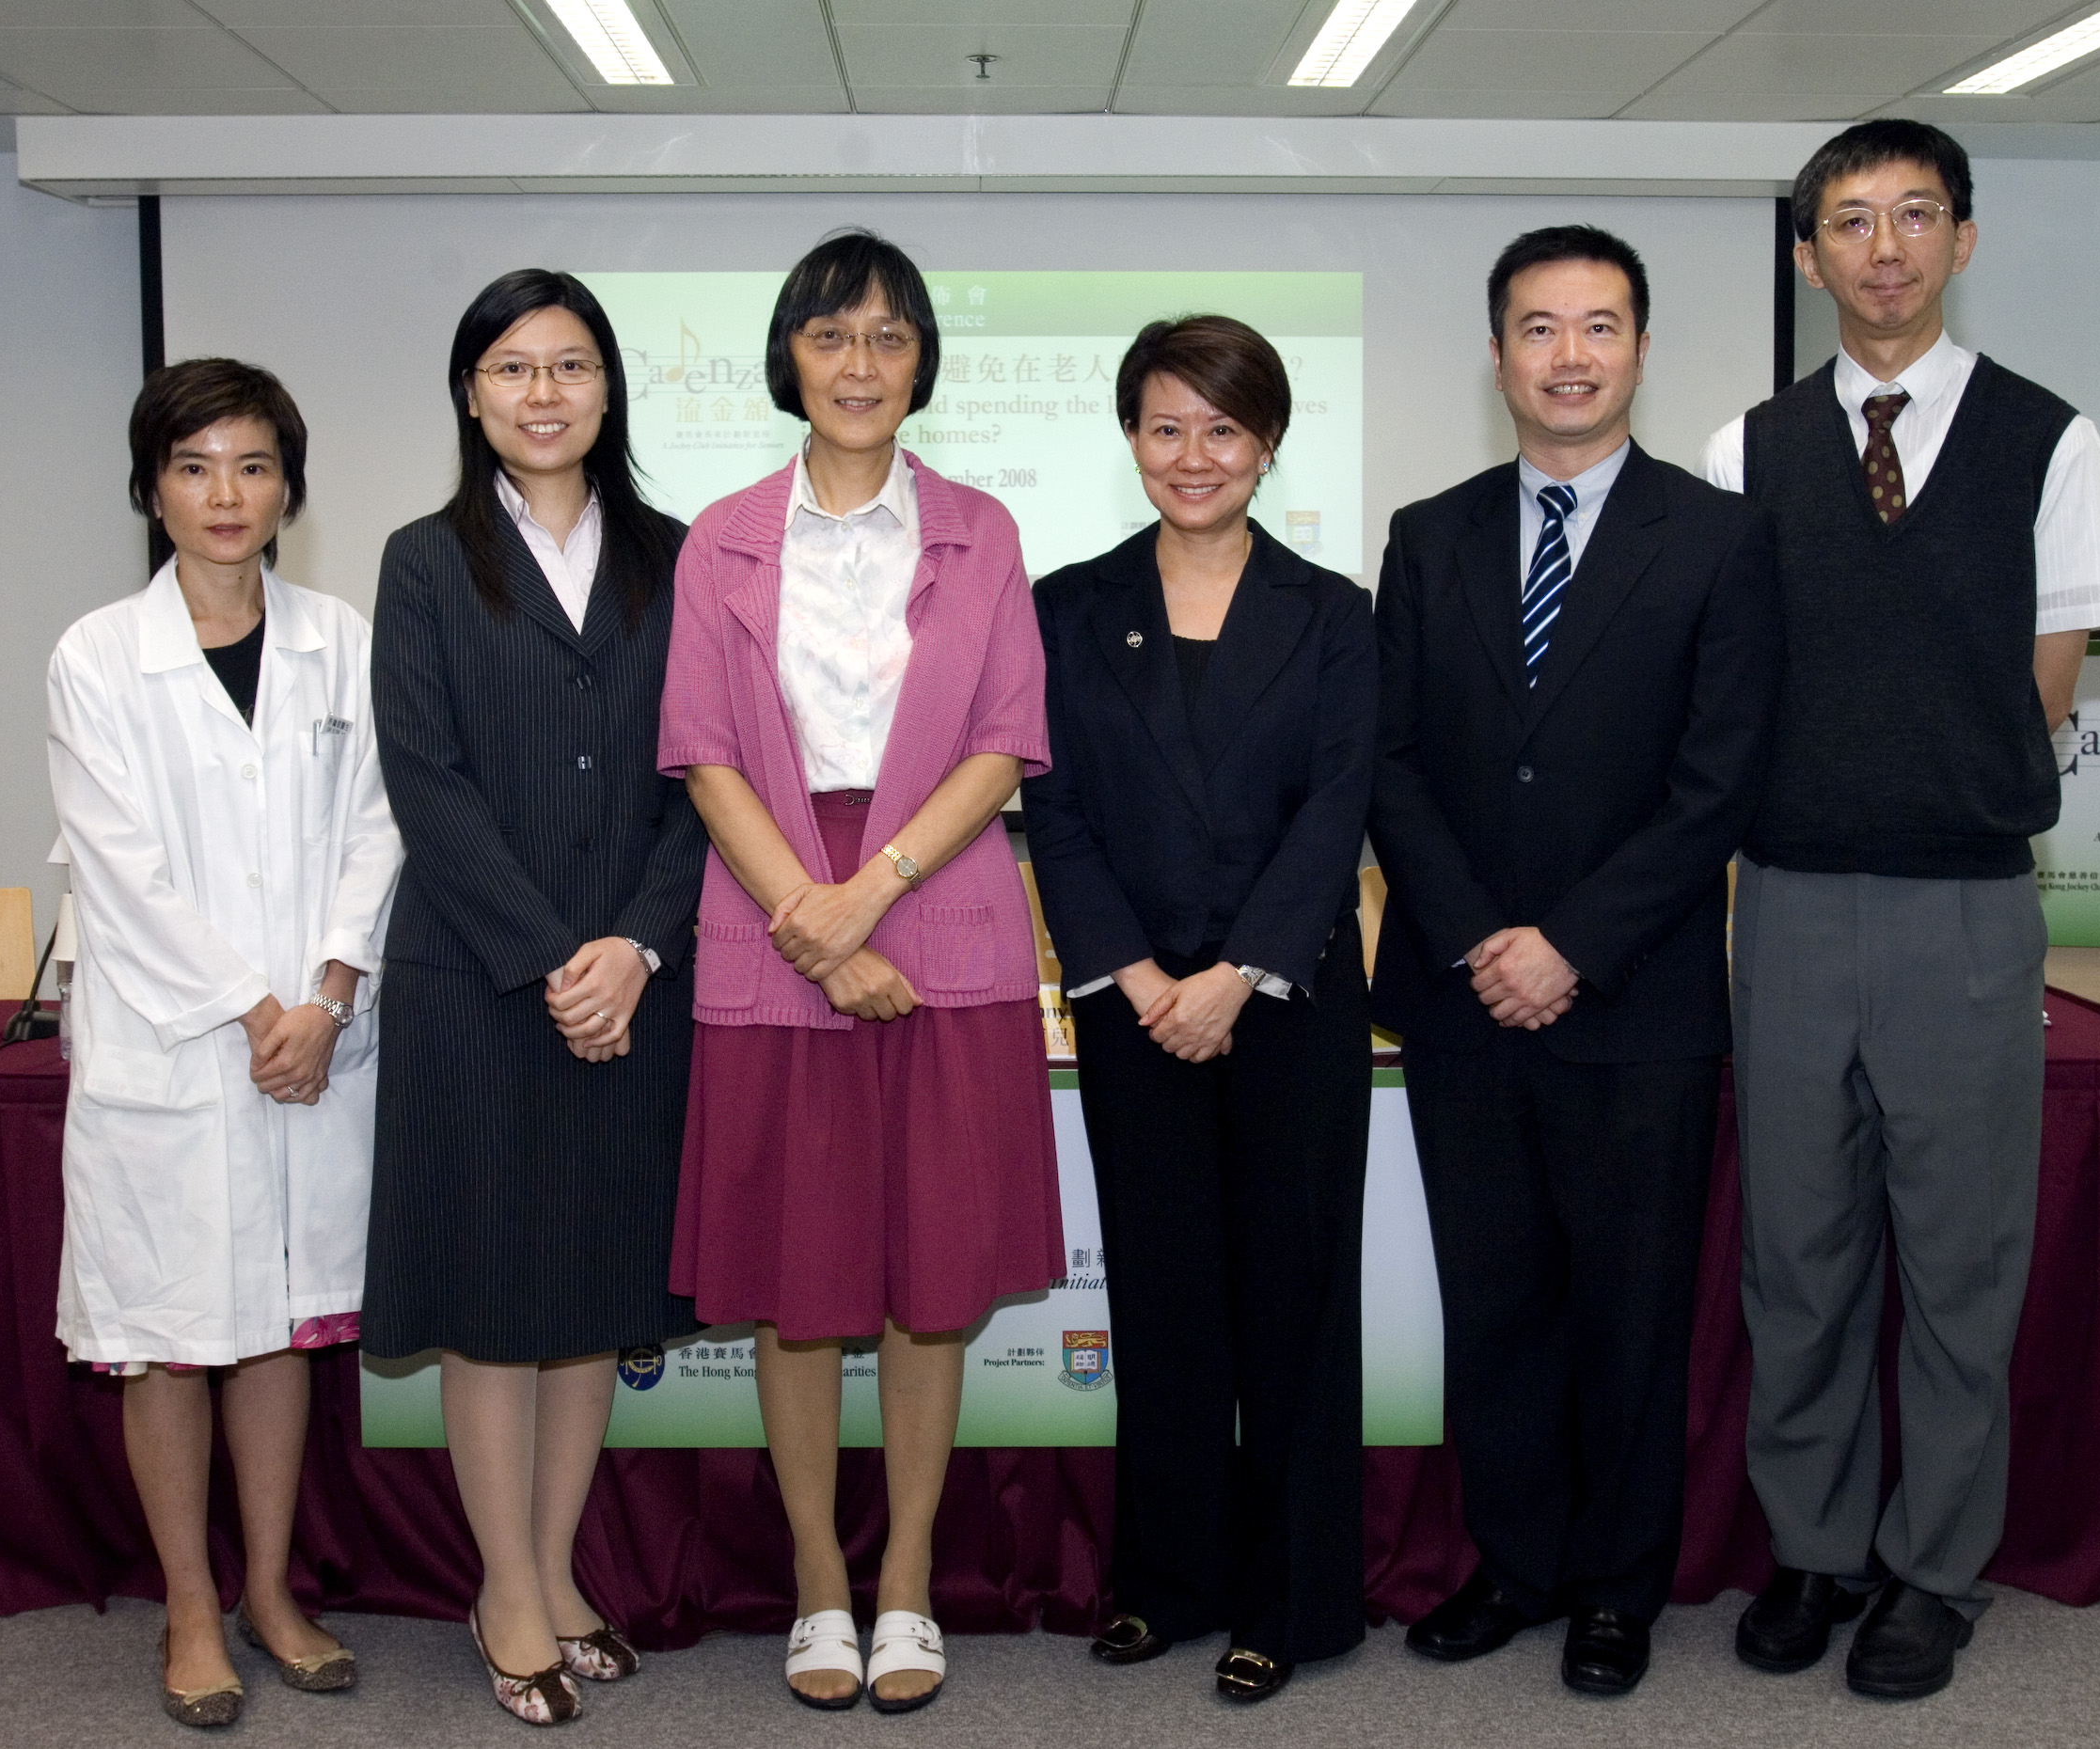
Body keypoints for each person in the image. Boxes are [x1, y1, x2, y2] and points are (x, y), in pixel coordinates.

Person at [1701, 119, 2100, 1700]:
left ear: (1961, 239)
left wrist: (1932, 775)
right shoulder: (1744, 445)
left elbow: (2049, 681)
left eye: (1913, 216)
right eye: (1848, 221)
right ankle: (1813, 1547)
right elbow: (1737, 681)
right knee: (1798, 1256)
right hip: (1792, 903)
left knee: (1959, 1260)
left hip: (1962, 907)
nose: (1881, 247)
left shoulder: (2049, 437)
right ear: (1807, 257)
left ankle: (1932, 1571)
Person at [1368, 226, 1781, 1696]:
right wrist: (1488, 939)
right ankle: (1517, 1561)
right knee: (1493, 1304)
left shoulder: (1720, 538)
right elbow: (1392, 761)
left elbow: (1716, 780)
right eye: (1536, 329)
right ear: (1495, 356)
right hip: (1463, 990)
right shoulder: (1429, 534)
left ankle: (1616, 1586)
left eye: (1596, 326)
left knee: (1627, 1307)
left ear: (1641, 349)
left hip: (1639, 999)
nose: (1567, 356)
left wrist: (1573, 946)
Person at [661, 228, 1063, 1715]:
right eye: (831, 338)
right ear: (787, 358)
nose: (859, 365)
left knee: (925, 1287)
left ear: (921, 365)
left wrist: (872, 896)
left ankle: (905, 1588)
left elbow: (1005, 737)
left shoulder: (981, 527)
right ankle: (818, 1588)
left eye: (889, 338)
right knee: (797, 1291)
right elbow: (701, 750)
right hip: (774, 923)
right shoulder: (719, 536)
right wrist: (812, 923)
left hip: (937, 909)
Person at [361, 269, 706, 1726]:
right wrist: (554, 959)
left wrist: (631, 945)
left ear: (609, 389)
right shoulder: (424, 561)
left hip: (635, 983)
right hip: (481, 986)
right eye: (512, 368)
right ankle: (503, 1585)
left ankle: (558, 1570)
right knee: (495, 1306)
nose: (543, 393)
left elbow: (715, 778)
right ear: (469, 393)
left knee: (591, 1298)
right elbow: (423, 780)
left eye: (570, 366)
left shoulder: (683, 556)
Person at [1022, 317, 1376, 1704]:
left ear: (1268, 442)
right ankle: (1163, 1583)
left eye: (1221, 430)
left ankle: (1288, 1602)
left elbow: (1337, 808)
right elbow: (1053, 805)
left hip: (1283, 1003)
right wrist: (1145, 976)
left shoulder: (1333, 610)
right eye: (1164, 427)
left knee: (1290, 1300)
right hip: (1133, 1005)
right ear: (1128, 439)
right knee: (1164, 1303)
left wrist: (1237, 974)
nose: (1192, 456)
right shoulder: (1066, 604)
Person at [48, 358, 403, 1726]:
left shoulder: (339, 637)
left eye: (252, 466)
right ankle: (189, 1609)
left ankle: (268, 1590)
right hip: (177, 1052)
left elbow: (377, 823)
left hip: (314, 1037)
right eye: (195, 466)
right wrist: (259, 1014)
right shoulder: (97, 654)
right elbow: (121, 871)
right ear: (151, 486)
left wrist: (324, 993)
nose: (225, 494)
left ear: (288, 487)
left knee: (275, 1331)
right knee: (169, 1332)